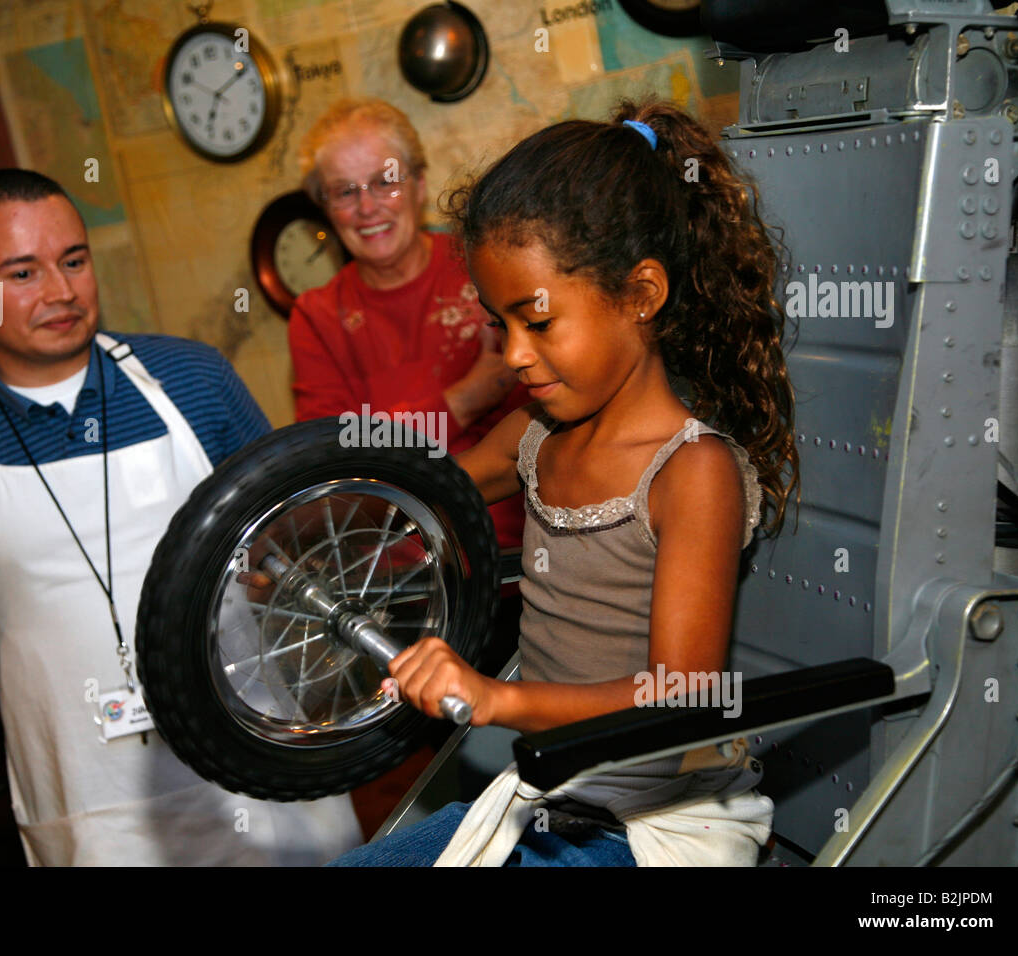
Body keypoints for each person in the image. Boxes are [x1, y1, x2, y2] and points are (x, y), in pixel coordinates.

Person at [330, 100, 801, 866]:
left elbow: (682, 698)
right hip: (549, 796)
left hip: (649, 824)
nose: (513, 355)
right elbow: (436, 489)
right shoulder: (538, 431)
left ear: (641, 296)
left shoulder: (693, 471)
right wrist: (311, 506)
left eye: (538, 323)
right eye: (500, 323)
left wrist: (496, 697)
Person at [0, 168, 362, 866]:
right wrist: (62, 675)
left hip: (265, 772)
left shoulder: (195, 382)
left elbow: (279, 536)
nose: (61, 291)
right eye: (23, 273)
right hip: (94, 812)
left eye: (73, 260)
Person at [289, 98, 529, 549]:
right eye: (345, 191)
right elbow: (337, 459)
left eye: (385, 182)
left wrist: (394, 423)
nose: (367, 207)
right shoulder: (317, 316)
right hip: (397, 582)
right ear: (325, 208)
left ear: (419, 184)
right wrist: (461, 402)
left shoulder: (483, 266)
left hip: (519, 560)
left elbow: (549, 420)